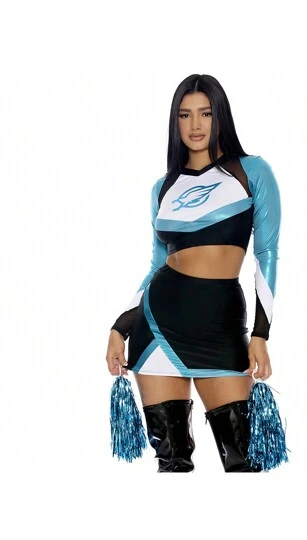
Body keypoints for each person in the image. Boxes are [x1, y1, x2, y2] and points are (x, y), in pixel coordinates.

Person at [106, 73, 281, 473]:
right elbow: (157, 266)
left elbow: (266, 254)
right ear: (175, 122)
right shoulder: (163, 188)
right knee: (172, 462)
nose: (196, 125)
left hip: (221, 326)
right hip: (157, 328)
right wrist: (120, 327)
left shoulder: (251, 172)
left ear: (221, 117)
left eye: (206, 113)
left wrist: (260, 334)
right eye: (185, 115)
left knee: (243, 460)